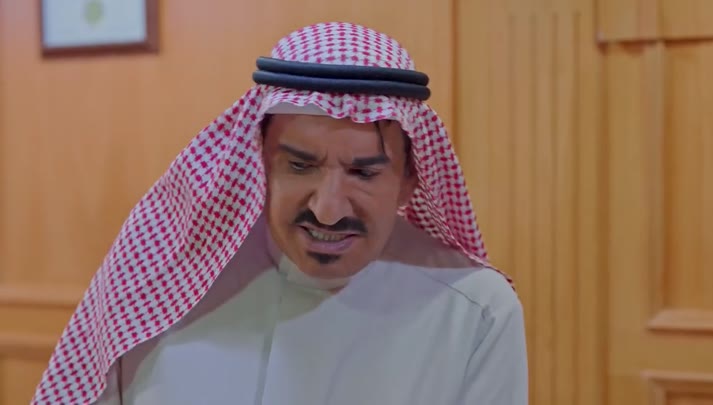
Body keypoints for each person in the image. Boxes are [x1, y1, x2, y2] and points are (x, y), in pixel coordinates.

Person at [32, 21, 528, 405]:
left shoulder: (476, 312)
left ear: (409, 179)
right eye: (299, 165)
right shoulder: (155, 282)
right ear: (257, 163)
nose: (328, 210)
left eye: (363, 173)